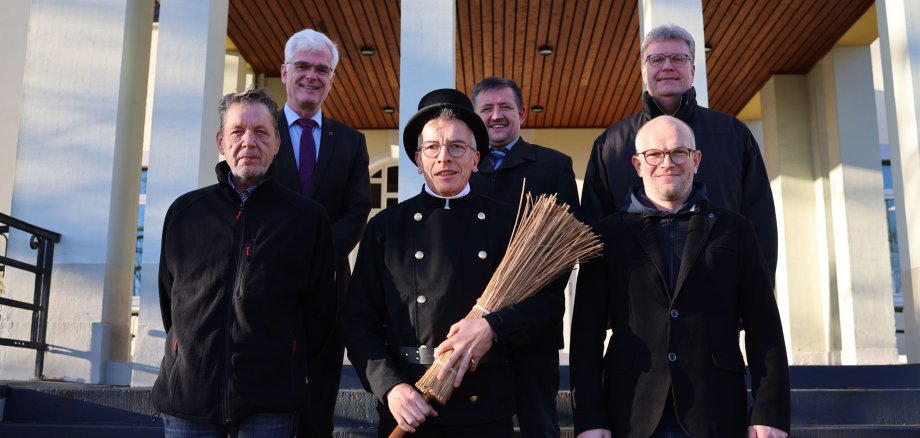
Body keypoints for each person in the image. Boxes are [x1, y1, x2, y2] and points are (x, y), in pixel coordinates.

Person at [344, 88, 564, 437]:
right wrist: (391, 388)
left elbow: (548, 305)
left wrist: (493, 326)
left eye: (457, 147)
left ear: (476, 159)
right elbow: (358, 321)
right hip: (410, 405)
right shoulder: (386, 228)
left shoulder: (510, 225)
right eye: (432, 148)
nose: (444, 157)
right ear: (418, 160)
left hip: (486, 408)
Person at [570, 116, 790, 438]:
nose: (667, 163)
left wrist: (769, 411)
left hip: (715, 411)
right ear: (637, 164)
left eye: (679, 152)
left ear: (696, 160)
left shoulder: (735, 229)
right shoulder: (607, 235)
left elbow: (764, 326)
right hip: (631, 413)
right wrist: (589, 418)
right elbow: (586, 335)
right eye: (654, 155)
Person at [152, 88, 336, 437]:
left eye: (261, 132)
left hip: (271, 403)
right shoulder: (185, 213)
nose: (249, 141)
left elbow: (322, 321)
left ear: (278, 143)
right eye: (238, 131)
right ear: (221, 142)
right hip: (189, 400)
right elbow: (170, 302)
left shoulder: (307, 219)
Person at [580, 23, 778, 274]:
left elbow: (760, 223)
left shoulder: (733, 135)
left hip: (720, 295)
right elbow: (593, 233)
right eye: (656, 59)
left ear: (692, 69)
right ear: (643, 71)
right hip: (636, 302)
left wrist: (756, 299)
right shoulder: (611, 145)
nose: (667, 67)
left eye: (678, 58)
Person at [272, 28, 372, 437]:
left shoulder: (350, 141)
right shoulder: (261, 133)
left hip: (330, 289)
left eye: (322, 69)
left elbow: (358, 207)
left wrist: (319, 256)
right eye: (303, 66)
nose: (312, 75)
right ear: (284, 72)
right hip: (267, 286)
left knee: (319, 403)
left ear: (331, 78)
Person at [469, 77, 579, 437]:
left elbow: (566, 248)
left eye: (505, 108)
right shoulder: (461, 166)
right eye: (486, 109)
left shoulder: (553, 166)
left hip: (533, 328)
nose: (496, 116)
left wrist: (517, 305)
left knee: (539, 426)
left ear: (522, 114)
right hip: (472, 327)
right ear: (474, 116)